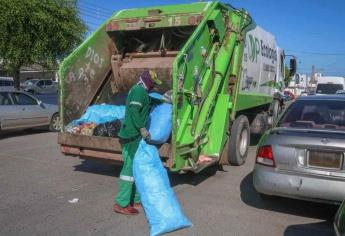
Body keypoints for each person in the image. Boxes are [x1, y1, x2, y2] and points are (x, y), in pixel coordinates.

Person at [113, 70, 163, 215]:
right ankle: (121, 203)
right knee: (129, 170)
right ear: (148, 81)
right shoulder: (138, 91)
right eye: (153, 83)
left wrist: (164, 100)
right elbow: (134, 111)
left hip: (134, 136)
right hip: (131, 136)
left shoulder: (142, 92)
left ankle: (135, 199)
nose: (154, 86)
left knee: (137, 167)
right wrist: (142, 128)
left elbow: (149, 101)